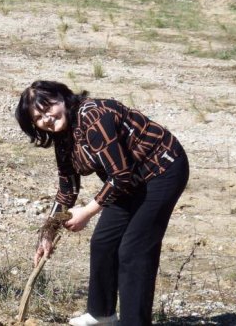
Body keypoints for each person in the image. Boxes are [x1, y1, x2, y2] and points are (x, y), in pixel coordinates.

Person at [15, 81, 189, 326]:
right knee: (103, 242)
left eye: (49, 107)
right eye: (39, 117)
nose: (48, 117)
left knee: (133, 250)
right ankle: (102, 314)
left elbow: (119, 175)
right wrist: (48, 232)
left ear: (63, 99)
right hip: (129, 180)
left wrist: (87, 212)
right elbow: (68, 189)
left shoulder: (93, 116)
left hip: (162, 170)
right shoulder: (63, 137)